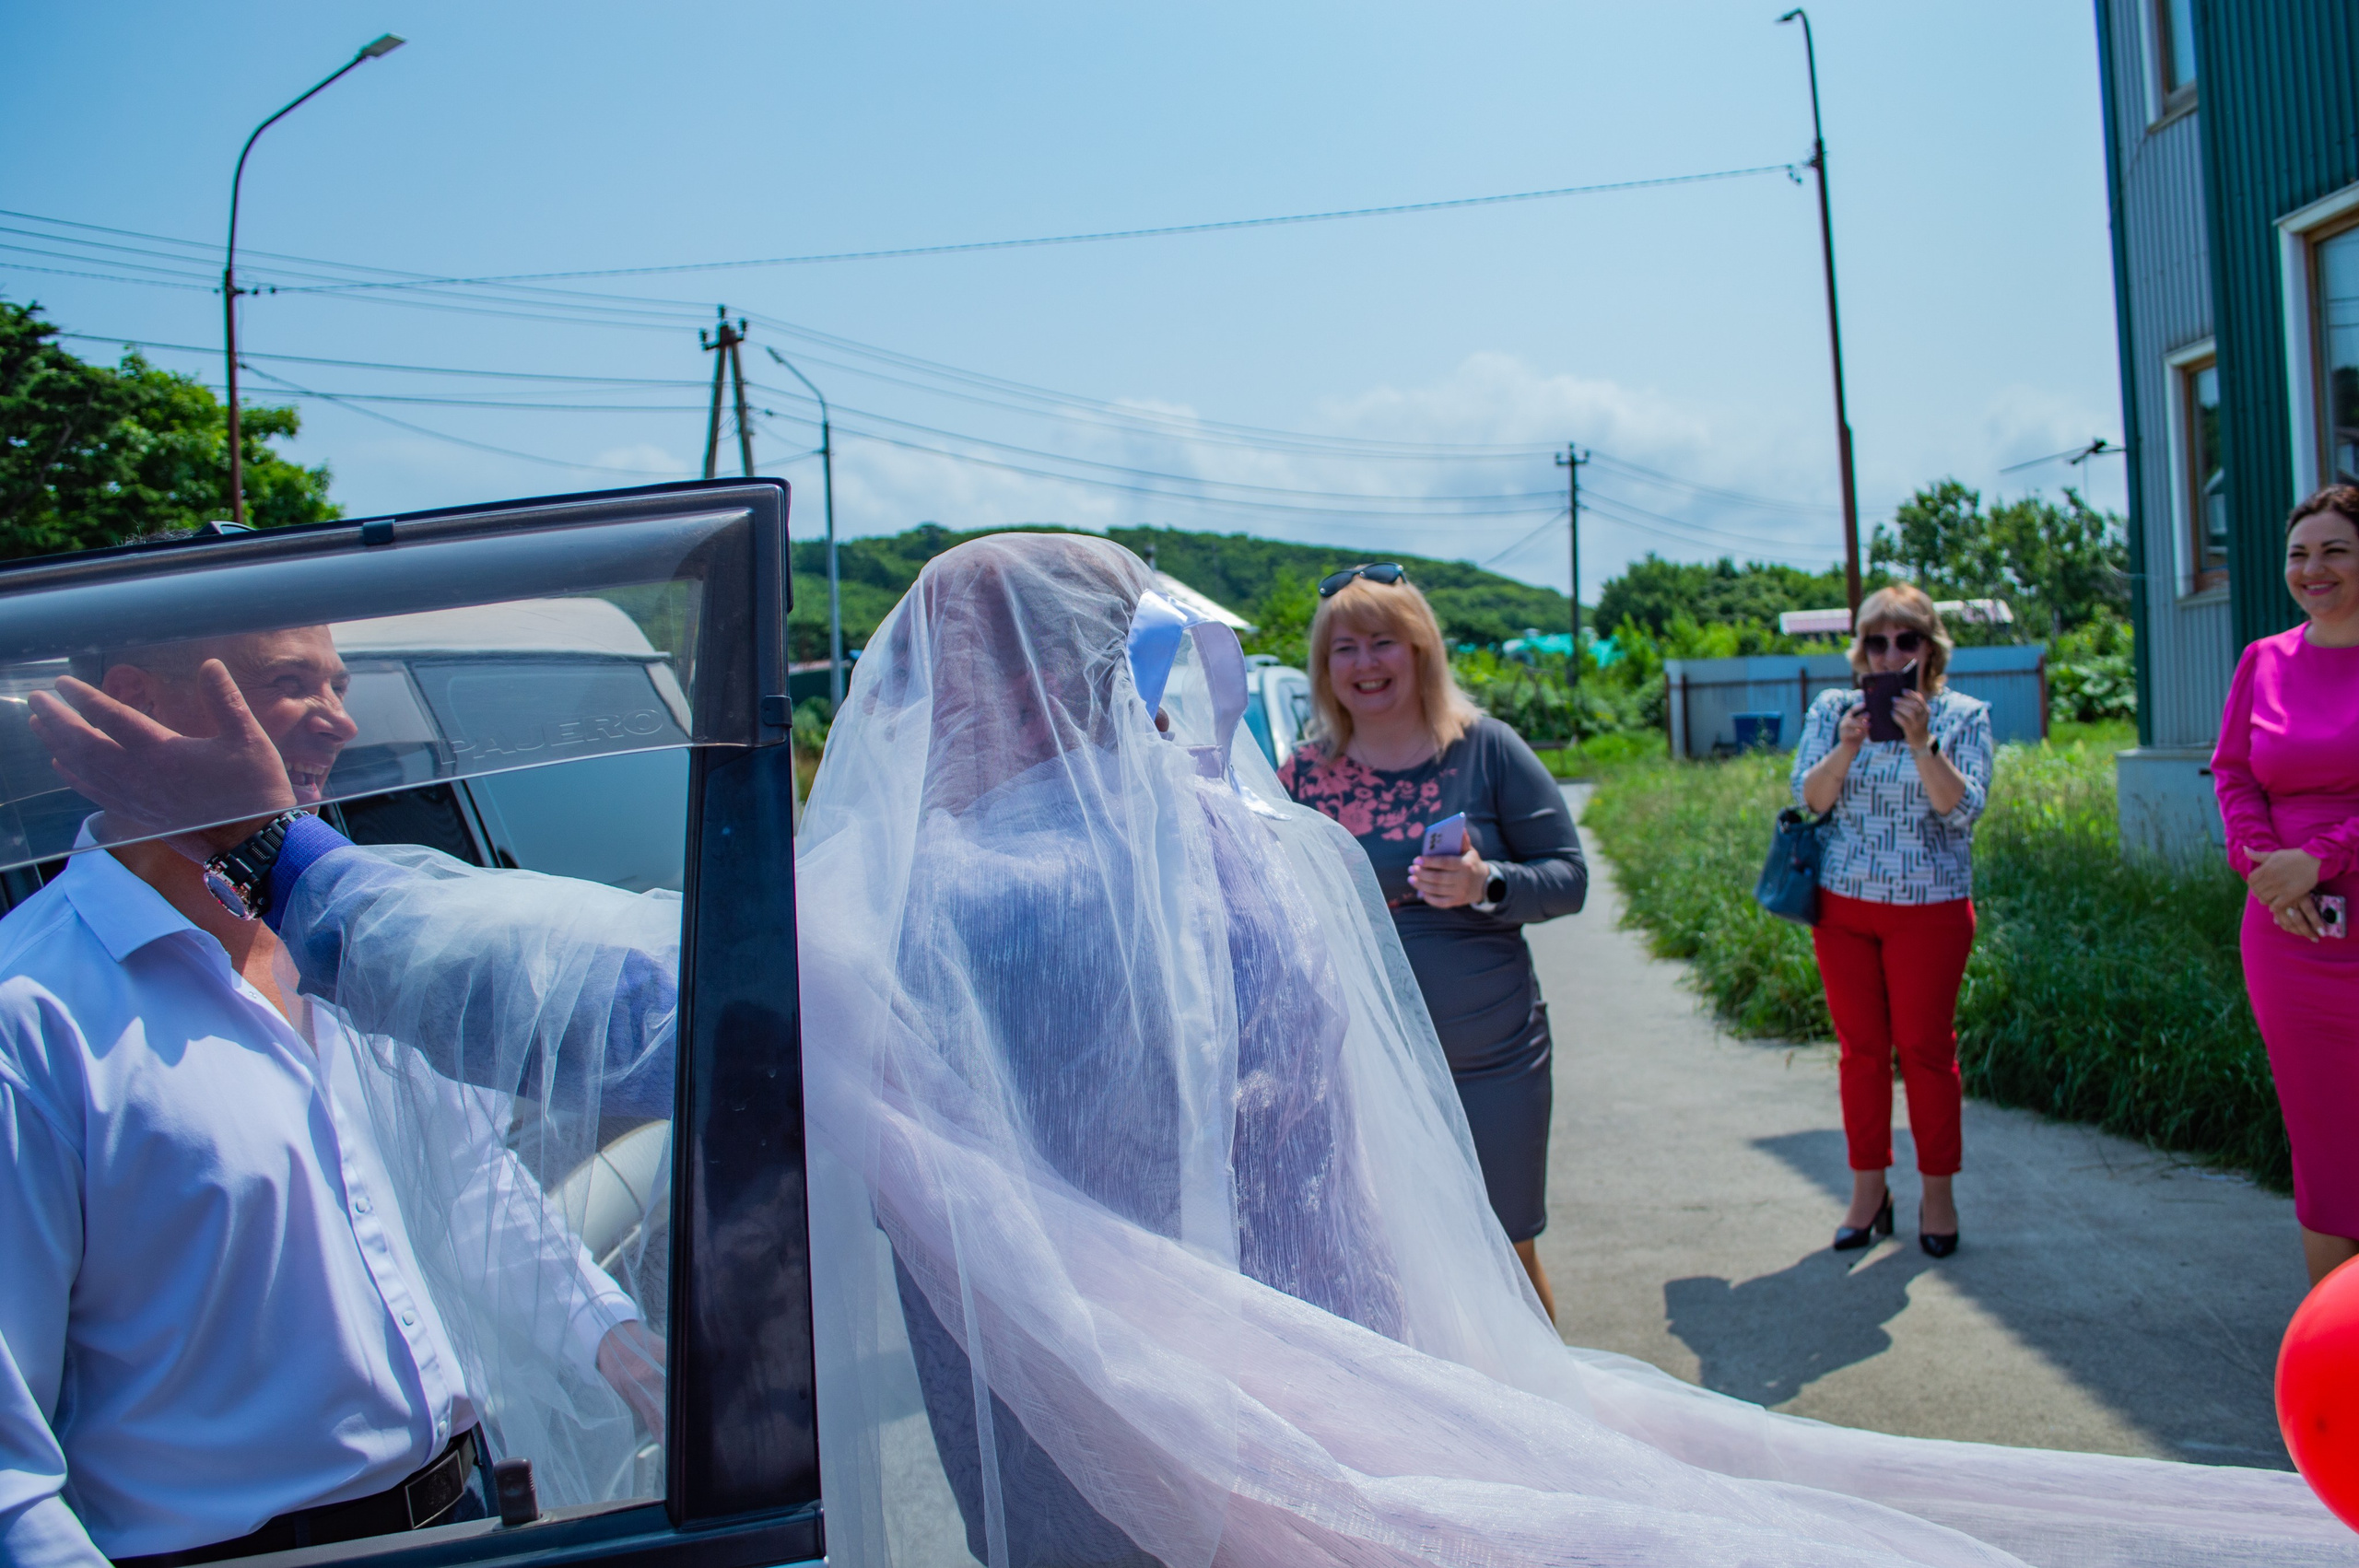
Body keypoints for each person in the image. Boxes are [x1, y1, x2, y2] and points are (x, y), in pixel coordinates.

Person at [37, 541, 2359, 1565]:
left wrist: (308, 881)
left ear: (977, 698)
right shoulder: (1247, 857)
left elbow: (641, 1011)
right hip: (1355, 1373)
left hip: (1133, 1467)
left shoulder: (964, 900)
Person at [2, 629, 664, 1568]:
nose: (342, 720)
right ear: (134, 698)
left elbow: (468, 1175)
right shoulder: (30, 1016)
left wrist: (616, 1340)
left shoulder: (351, 947)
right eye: (288, 682)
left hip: (468, 1518)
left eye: (339, 685)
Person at [1273, 563, 1585, 1319]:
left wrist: (1489, 885)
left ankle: (1549, 1429)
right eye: (1343, 649)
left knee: (1506, 1251)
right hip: (1360, 1068)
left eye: (1383, 642)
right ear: (1324, 668)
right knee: (1389, 1261)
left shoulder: (1487, 749)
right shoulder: (1303, 777)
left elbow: (1569, 878)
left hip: (1491, 1055)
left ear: (1420, 650)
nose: (1364, 664)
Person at [1791, 585, 1994, 1257]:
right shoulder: (1832, 709)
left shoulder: (1963, 716)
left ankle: (1939, 1194)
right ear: (1860, 650)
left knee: (1928, 1053)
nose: (1890, 654)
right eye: (1876, 641)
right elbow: (1810, 801)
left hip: (1930, 910)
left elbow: (1960, 810)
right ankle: (1868, 1190)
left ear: (1930, 648)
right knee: (1861, 1055)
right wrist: (1847, 747)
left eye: (1906, 639)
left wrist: (1920, 741)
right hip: (1844, 905)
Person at [2213, 483, 2359, 1288]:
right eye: (2300, 554)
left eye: (2336, 549)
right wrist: (2267, 869)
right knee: (2324, 1140)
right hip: (2289, 938)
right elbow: (2235, 776)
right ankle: (2339, 1359)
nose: (2315, 568)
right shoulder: (2262, 661)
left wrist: (2323, 857)